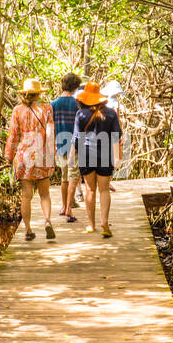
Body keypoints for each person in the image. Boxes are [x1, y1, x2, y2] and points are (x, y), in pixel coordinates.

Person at [4, 78, 57, 241]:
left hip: (23, 156)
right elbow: (50, 134)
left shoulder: (17, 111)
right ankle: (47, 221)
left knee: (26, 195)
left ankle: (28, 230)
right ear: (38, 93)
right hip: (41, 155)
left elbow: (13, 135)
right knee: (45, 193)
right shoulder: (47, 109)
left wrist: (8, 156)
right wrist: (52, 155)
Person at [74, 81, 122, 238]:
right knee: (104, 190)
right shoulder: (111, 113)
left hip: (86, 154)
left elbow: (76, 140)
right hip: (105, 154)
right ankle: (105, 223)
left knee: (90, 189)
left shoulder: (81, 114)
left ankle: (91, 224)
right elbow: (116, 138)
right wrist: (116, 159)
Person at [51, 73, 82, 223]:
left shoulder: (53, 104)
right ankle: (69, 209)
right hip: (75, 146)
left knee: (64, 178)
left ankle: (63, 207)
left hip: (60, 144)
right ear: (75, 86)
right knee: (73, 177)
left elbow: (51, 126)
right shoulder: (78, 103)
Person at [100, 80, 124, 188]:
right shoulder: (114, 102)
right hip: (113, 131)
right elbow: (117, 118)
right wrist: (120, 133)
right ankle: (107, 181)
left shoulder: (102, 101)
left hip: (103, 131)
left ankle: (105, 181)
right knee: (115, 157)